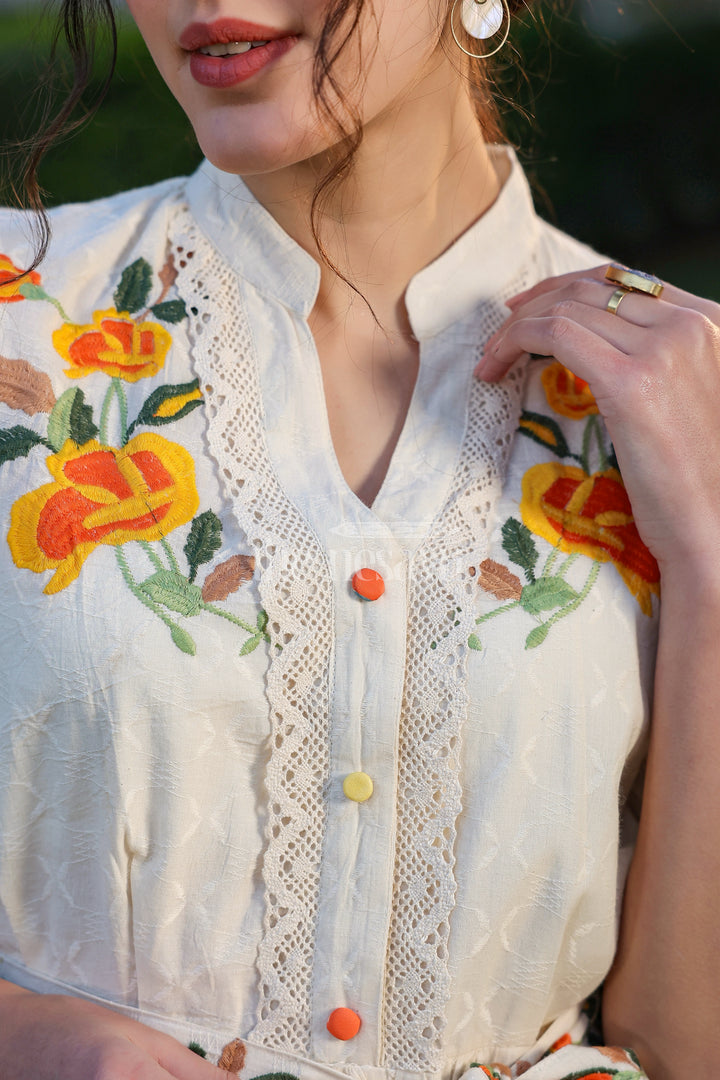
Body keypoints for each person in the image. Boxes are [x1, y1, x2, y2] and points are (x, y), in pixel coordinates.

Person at [0, 0, 718, 1078]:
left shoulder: (685, 394)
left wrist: (710, 563)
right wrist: (27, 1039)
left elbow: (686, 1047)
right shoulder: (21, 321)